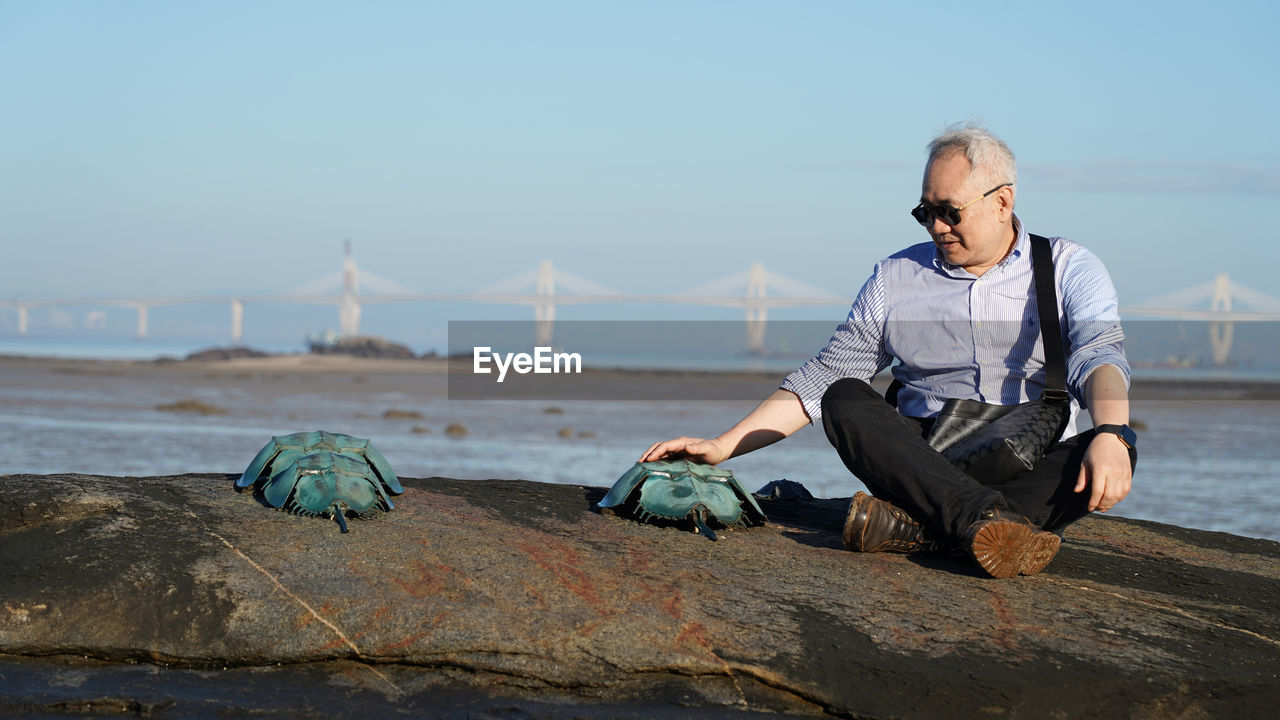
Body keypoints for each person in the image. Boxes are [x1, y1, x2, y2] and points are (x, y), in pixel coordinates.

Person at [640, 123, 1136, 578]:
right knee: (844, 397)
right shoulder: (895, 277)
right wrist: (724, 445)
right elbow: (824, 377)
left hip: (1027, 452)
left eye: (951, 212)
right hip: (919, 458)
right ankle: (981, 523)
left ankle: (919, 528)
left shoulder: (1068, 266)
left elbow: (1100, 354)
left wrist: (1111, 432)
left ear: (1003, 201)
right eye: (927, 213)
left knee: (1114, 447)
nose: (938, 227)